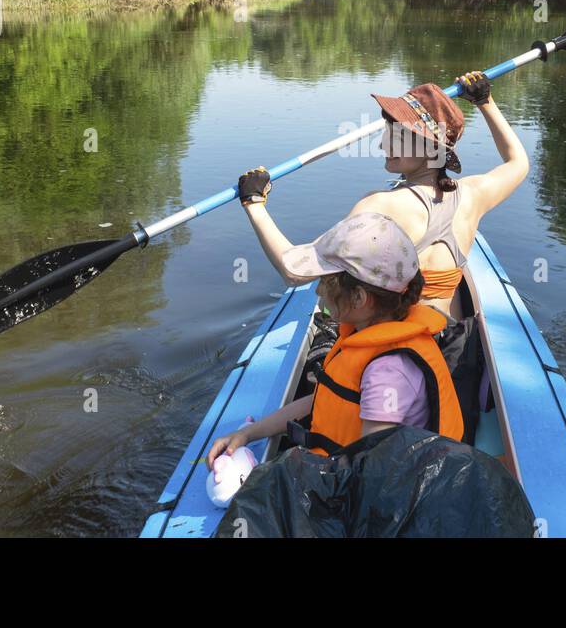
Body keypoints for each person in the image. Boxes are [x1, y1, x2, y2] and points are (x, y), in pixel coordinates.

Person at [236, 71, 529, 442]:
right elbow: (518, 163)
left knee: (327, 350)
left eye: (396, 134)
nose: (382, 144)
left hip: (389, 350)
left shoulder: (381, 206)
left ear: (427, 146)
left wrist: (254, 202)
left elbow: (295, 270)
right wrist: (486, 102)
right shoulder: (472, 195)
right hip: (450, 349)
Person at [205, 212, 462, 464]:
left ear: (359, 297)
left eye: (326, 282)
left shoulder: (388, 374)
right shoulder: (368, 332)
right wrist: (249, 433)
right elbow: (322, 398)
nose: (317, 290)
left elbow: (371, 471)